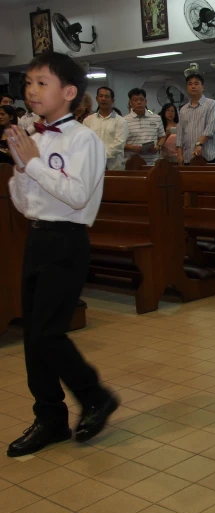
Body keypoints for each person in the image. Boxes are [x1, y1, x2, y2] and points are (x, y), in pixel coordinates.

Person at [5, 52, 118, 458]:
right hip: (37, 238)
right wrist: (21, 169)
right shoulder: (32, 136)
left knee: (47, 332)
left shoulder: (83, 139)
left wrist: (33, 163)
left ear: (69, 92)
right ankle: (49, 418)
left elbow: (76, 195)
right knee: (34, 338)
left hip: (67, 241)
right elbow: (24, 203)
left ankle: (95, 395)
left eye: (41, 83)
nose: (31, 90)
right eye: (28, 83)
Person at [176, 73, 215, 164]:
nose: (193, 86)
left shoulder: (212, 104)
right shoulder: (183, 109)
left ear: (202, 87)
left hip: (207, 156)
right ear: (186, 88)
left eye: (196, 84)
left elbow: (211, 128)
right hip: (188, 157)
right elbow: (180, 134)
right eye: (190, 84)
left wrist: (199, 144)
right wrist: (179, 155)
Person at [84, 86, 128, 170]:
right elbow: (84, 141)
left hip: (114, 168)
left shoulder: (121, 121)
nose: (103, 99)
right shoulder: (88, 120)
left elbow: (119, 144)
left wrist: (100, 155)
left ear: (112, 100)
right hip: (93, 167)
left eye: (107, 96)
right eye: (100, 96)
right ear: (97, 99)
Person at [124, 88, 165, 166]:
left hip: (153, 163)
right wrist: (132, 147)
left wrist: (158, 146)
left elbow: (162, 137)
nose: (139, 102)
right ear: (130, 103)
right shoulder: (124, 120)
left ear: (146, 101)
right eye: (135, 100)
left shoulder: (156, 118)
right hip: (131, 163)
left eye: (141, 100)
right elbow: (120, 143)